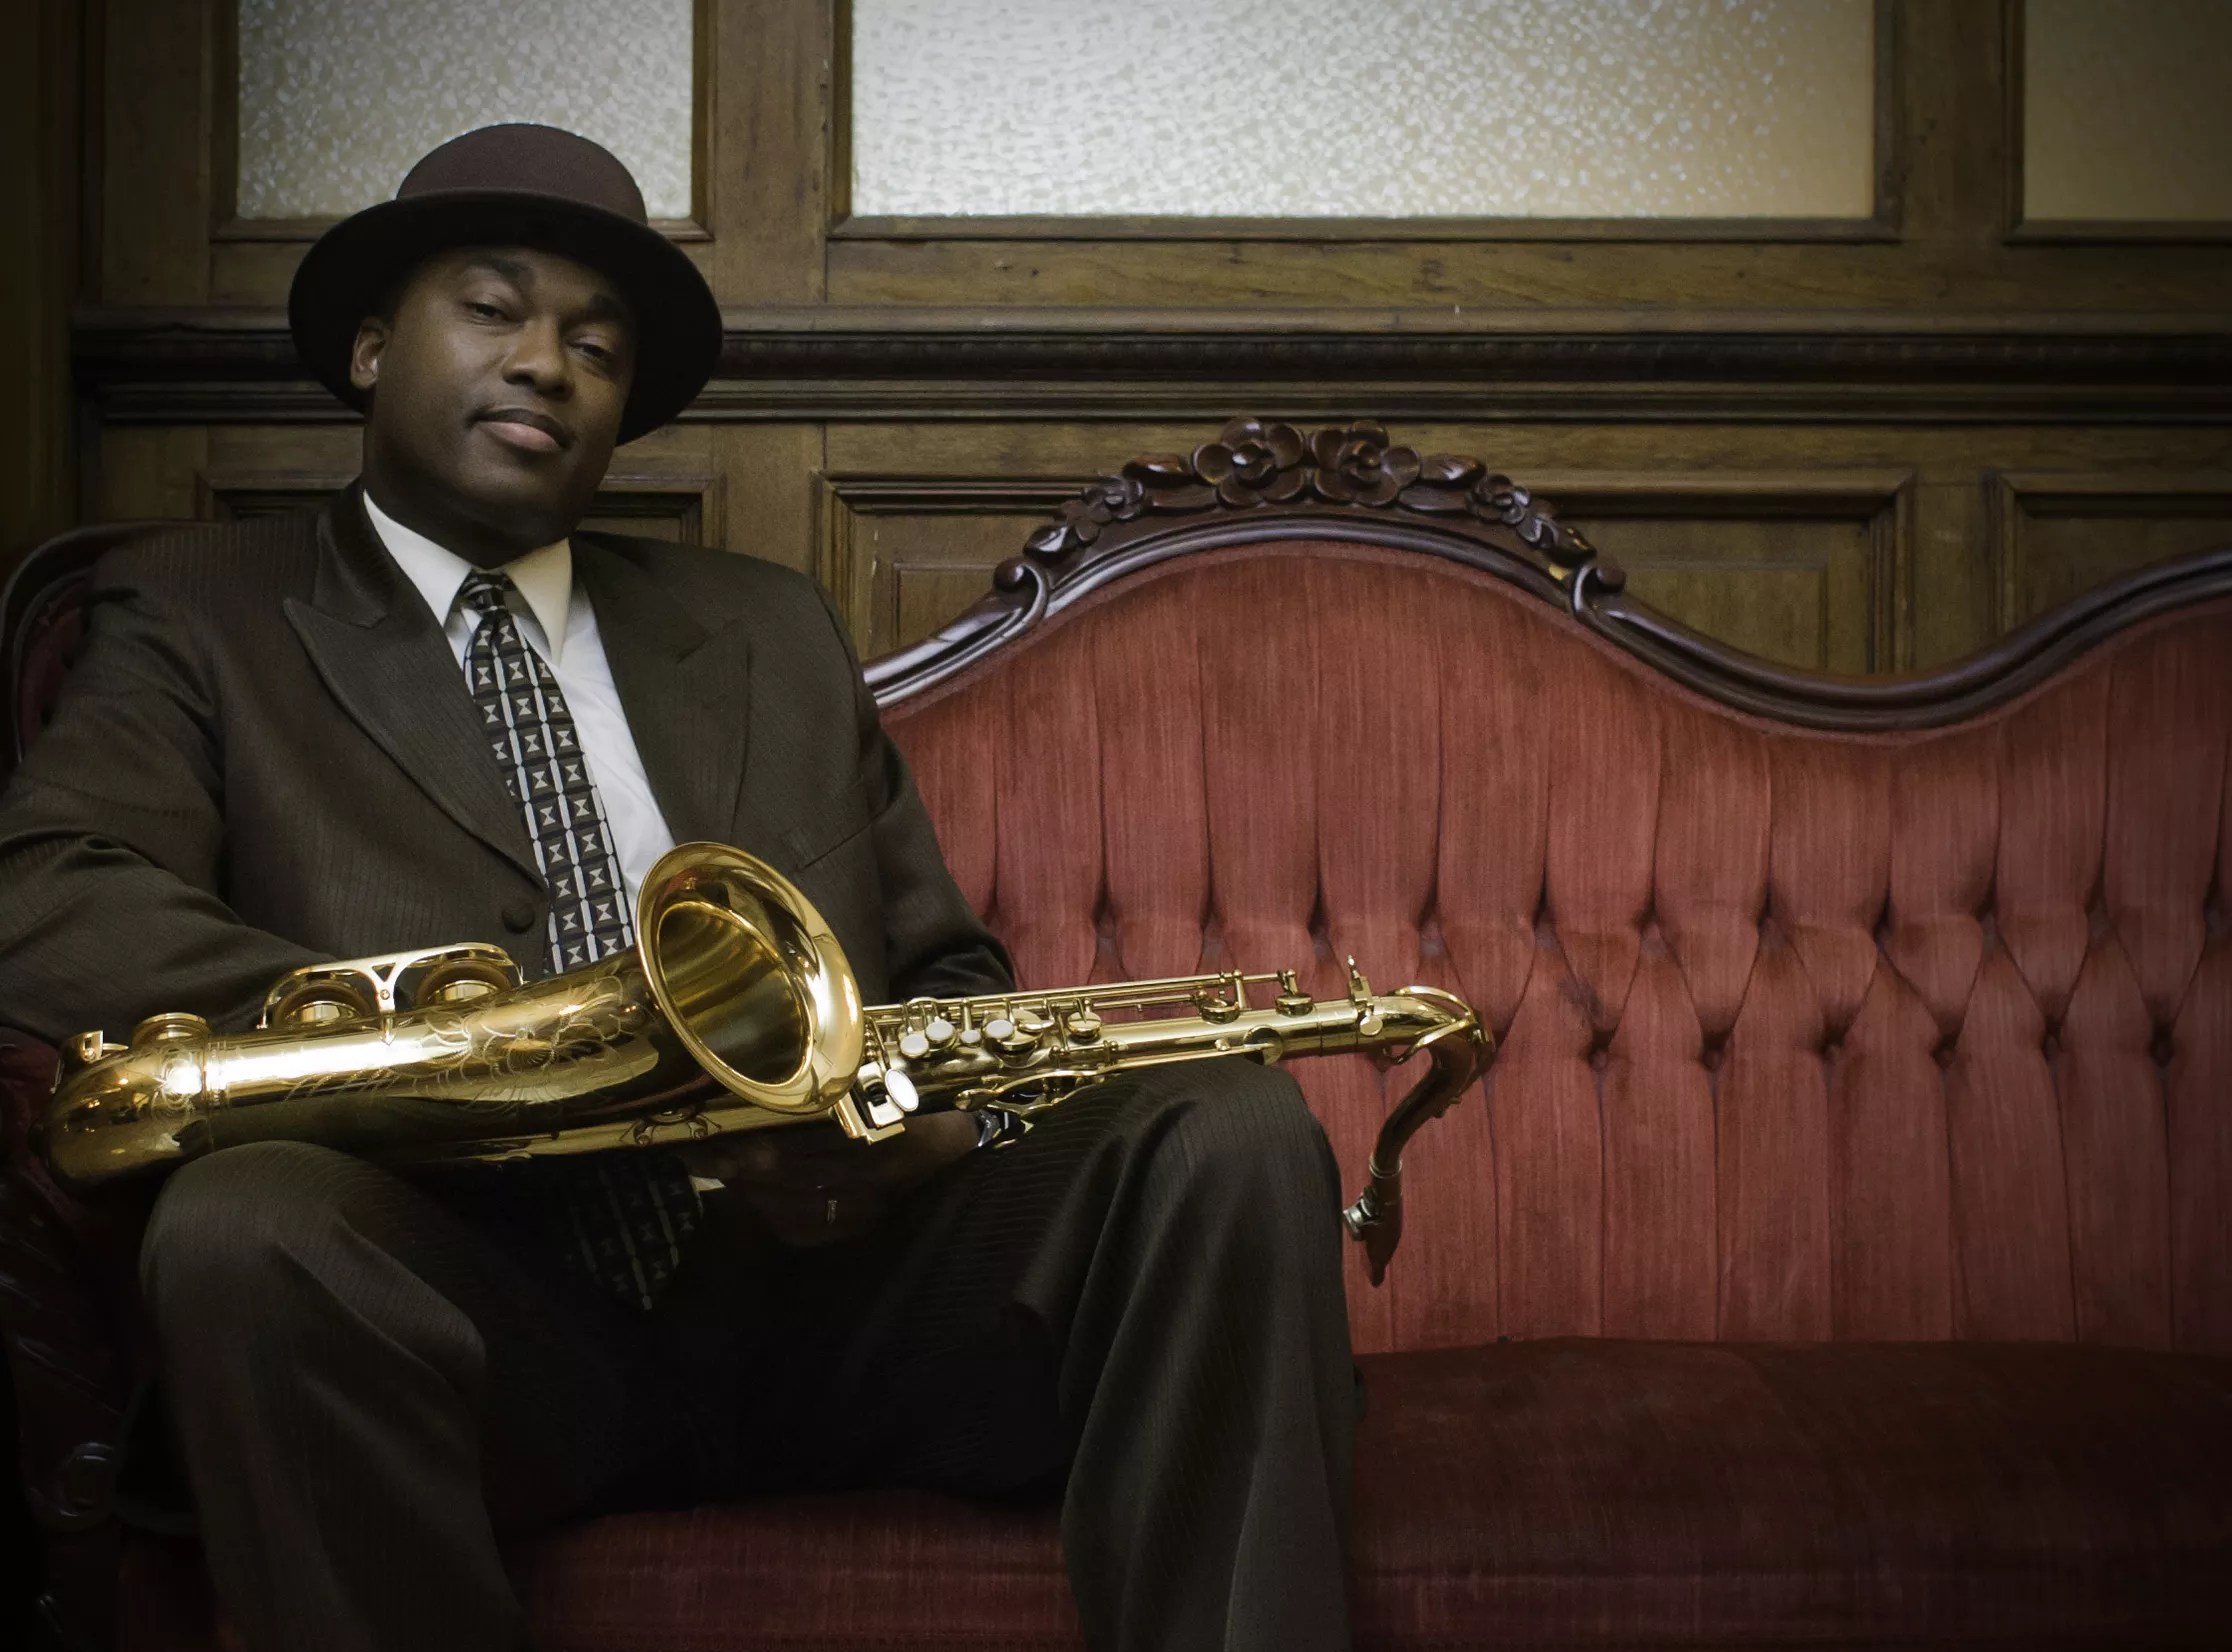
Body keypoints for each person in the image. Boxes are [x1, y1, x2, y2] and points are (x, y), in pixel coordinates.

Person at [0, 124, 1357, 1652]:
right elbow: (45, 896)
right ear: (373, 347)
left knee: (1232, 1127)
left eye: (596, 344)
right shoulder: (202, 611)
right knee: (244, 1227)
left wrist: (902, 1134)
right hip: (473, 1305)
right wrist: (494, 1045)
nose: (547, 363)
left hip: (831, 1294)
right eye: (494, 310)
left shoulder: (768, 627)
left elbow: (947, 979)